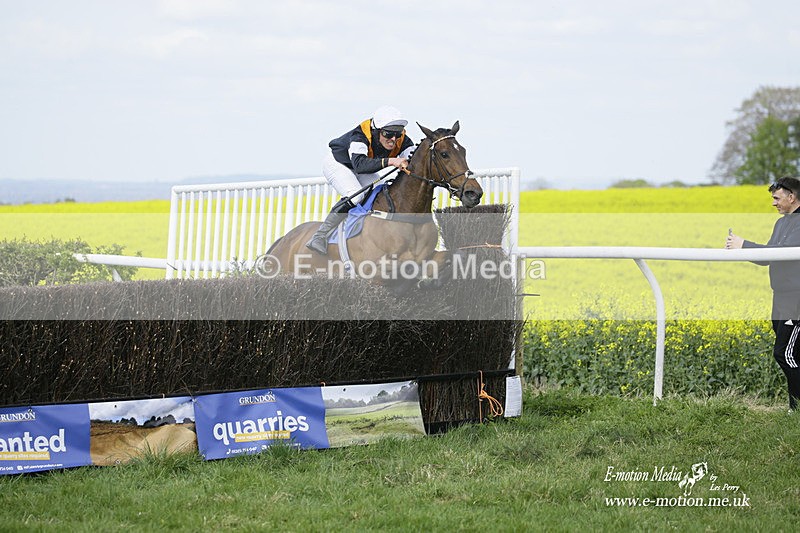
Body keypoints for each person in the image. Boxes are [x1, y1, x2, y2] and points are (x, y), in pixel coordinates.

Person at [726, 176, 800, 411]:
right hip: (780, 298)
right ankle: (794, 408)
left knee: (784, 354)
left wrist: (744, 245)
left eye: (777, 198)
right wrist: (740, 250)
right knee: (793, 354)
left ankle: (796, 408)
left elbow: (782, 252)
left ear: (792, 197)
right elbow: (768, 257)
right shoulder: (781, 223)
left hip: (796, 299)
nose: (773, 203)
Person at [305, 105, 416, 255]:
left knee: (380, 194)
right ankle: (320, 235)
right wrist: (391, 161)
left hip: (360, 168)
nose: (393, 139)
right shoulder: (360, 135)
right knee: (356, 195)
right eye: (388, 134)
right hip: (339, 164)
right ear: (376, 131)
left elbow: (414, 161)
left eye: (398, 133)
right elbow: (360, 165)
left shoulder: (402, 139)